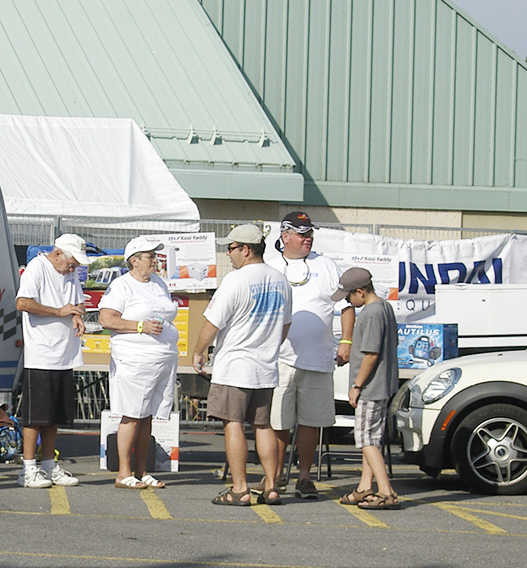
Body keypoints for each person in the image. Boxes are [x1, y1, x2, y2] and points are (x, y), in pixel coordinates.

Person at [191, 223, 292, 507]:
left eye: (232, 248)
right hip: (265, 366)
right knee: (263, 425)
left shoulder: (235, 280)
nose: (228, 253)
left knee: (232, 423)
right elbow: (285, 325)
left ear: (246, 250)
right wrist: (268, 346)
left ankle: (240, 488)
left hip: (235, 364)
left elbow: (213, 323)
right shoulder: (281, 280)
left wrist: (199, 351)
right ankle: (271, 486)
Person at [270, 211, 354, 500]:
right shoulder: (271, 266)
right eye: (301, 234)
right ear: (285, 236)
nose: (308, 239)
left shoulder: (325, 265)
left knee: (311, 421)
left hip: (318, 358)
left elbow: (346, 306)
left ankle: (304, 477)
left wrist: (346, 341)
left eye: (310, 234)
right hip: (280, 359)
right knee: (278, 421)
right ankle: (275, 476)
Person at [96, 237, 178, 490]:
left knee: (146, 417)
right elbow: (106, 319)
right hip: (134, 359)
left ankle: (142, 471)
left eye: (155, 256)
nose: (155, 260)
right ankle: (123, 472)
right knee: (132, 415)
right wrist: (140, 327)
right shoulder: (122, 285)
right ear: (134, 260)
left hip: (161, 359)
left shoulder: (158, 283)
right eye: (150, 256)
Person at [13, 234, 90, 489]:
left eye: (75, 265)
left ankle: (48, 464)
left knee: (54, 415)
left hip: (65, 354)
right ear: (57, 254)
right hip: (41, 354)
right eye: (71, 263)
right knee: (35, 416)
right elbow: (22, 302)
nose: (72, 269)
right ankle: (28, 469)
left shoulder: (69, 273)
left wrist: (77, 315)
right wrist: (58, 311)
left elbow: (78, 302)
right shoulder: (37, 268)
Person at [334, 266, 401, 509]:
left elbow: (371, 354)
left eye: (348, 297)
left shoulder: (371, 314)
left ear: (360, 292)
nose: (348, 302)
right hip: (382, 385)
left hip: (370, 387)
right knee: (371, 437)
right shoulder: (384, 307)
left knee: (365, 439)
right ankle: (364, 487)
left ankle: (386, 491)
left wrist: (356, 385)